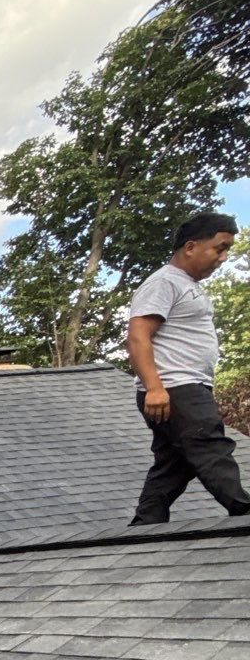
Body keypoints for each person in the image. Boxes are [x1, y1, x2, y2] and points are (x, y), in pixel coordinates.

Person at [127, 212, 250, 526]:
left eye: (227, 251)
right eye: (219, 248)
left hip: (180, 387)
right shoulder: (164, 282)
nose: (222, 258)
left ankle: (146, 525)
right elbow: (138, 336)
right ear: (191, 247)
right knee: (209, 446)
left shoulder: (185, 284)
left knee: (175, 464)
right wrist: (154, 388)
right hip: (175, 387)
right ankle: (243, 509)